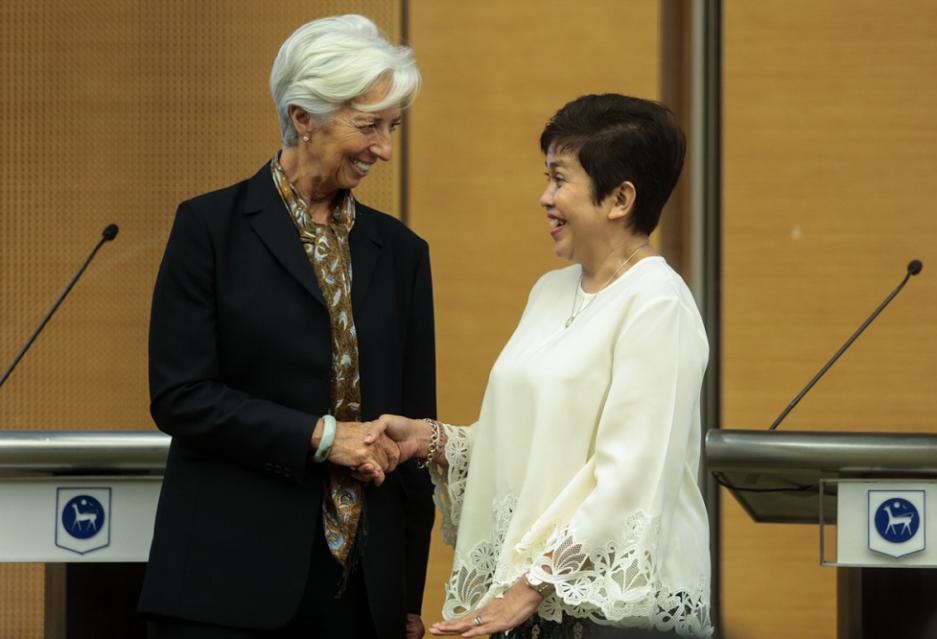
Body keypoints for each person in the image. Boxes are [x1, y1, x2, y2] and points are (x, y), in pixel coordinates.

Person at [365, 94, 713, 638]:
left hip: (611, 616)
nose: (544, 198)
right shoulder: (550, 291)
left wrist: (521, 594)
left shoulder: (659, 303)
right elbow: (536, 448)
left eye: (559, 179)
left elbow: (632, 478)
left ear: (620, 198)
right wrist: (432, 440)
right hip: (535, 608)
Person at [139, 15, 436, 639]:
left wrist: (406, 596)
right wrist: (323, 437)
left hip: (363, 600)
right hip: (229, 588)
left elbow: (413, 437)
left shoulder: (403, 252)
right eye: (368, 125)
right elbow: (181, 397)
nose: (384, 147)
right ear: (303, 116)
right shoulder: (209, 230)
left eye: (392, 127)